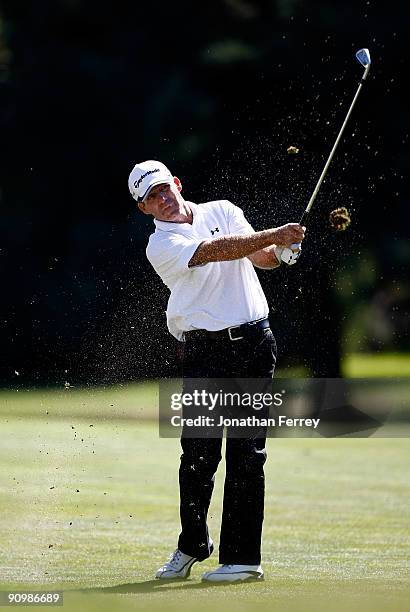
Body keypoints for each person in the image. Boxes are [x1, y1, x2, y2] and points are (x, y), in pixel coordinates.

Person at [128, 160, 305, 583]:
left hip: (254, 346)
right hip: (204, 353)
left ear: (177, 183)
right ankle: (192, 545)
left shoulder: (222, 209)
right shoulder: (161, 245)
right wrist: (274, 236)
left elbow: (257, 255)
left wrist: (281, 252)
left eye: (164, 188)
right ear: (144, 209)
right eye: (152, 197)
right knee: (198, 457)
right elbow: (217, 251)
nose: (163, 199)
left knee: (248, 454)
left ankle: (242, 559)